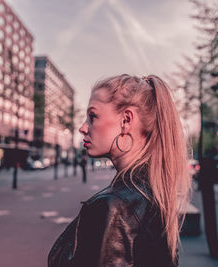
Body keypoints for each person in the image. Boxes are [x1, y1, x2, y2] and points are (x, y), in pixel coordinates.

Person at [47, 74, 192, 267]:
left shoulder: (114, 208)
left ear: (126, 120)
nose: (83, 128)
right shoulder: (153, 192)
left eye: (93, 116)